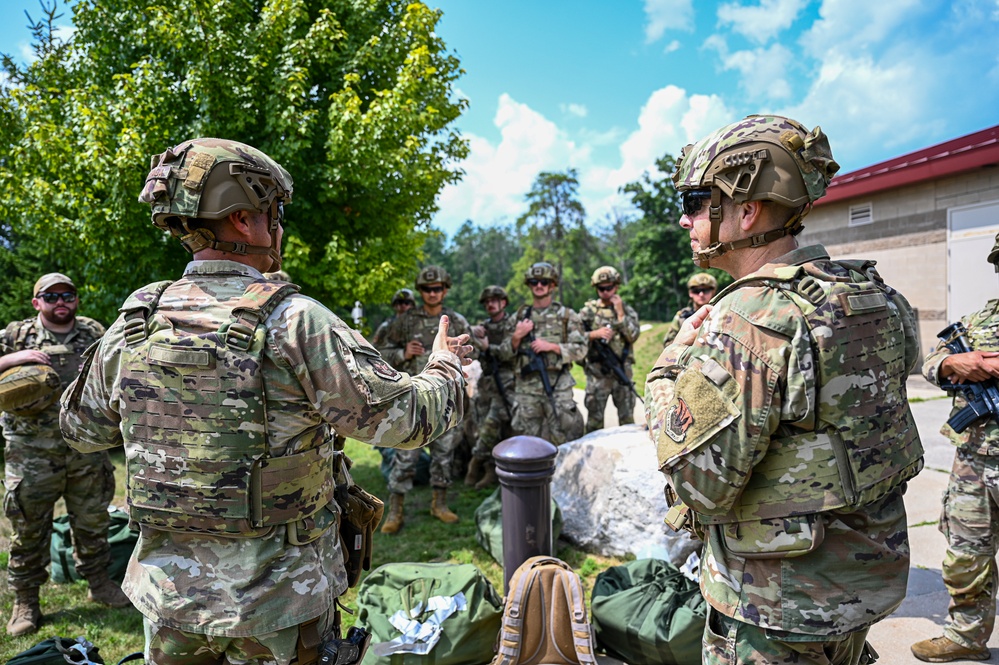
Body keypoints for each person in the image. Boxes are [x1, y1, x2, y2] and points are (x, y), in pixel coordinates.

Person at [59, 138, 472, 665]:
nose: (279, 228)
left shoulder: (133, 324)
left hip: (170, 605)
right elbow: (407, 421)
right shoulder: (295, 322)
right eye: (273, 214)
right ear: (241, 220)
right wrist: (445, 367)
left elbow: (81, 431)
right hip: (279, 607)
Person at [645, 115, 924, 665]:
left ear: (746, 211)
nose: (686, 219)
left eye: (699, 201)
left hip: (774, 608)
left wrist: (667, 368)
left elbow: (701, 485)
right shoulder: (874, 296)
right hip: (861, 587)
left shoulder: (752, 318)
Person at [0, 273, 130, 637]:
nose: (61, 301)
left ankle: (100, 583)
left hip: (85, 447)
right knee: (29, 527)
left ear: (76, 299)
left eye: (68, 295)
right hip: (31, 452)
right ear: (36, 302)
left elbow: (115, 371)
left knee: (93, 522)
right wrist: (15, 359)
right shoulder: (16, 336)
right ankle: (26, 601)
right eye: (51, 296)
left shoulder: (92, 332)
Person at [909, 235, 999, 663]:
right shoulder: (979, 321)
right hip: (975, 462)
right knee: (966, 554)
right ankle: (966, 636)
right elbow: (928, 362)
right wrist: (955, 364)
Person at [377, 265, 475, 533]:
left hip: (447, 401)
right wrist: (402, 353)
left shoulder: (456, 320)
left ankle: (439, 504)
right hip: (414, 401)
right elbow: (378, 351)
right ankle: (395, 510)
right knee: (405, 456)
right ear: (420, 291)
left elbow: (471, 353)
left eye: (438, 288)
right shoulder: (405, 321)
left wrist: (461, 356)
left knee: (443, 456)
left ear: (445, 290)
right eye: (427, 289)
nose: (433, 293)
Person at [500, 262, 586, 445]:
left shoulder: (567, 316)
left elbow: (581, 349)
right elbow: (503, 354)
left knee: (563, 441)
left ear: (553, 285)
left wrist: (553, 347)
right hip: (527, 390)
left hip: (558, 388)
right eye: (534, 281)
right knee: (527, 444)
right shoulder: (519, 317)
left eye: (544, 282)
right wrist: (517, 336)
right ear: (529, 285)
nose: (539, 286)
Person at [578, 266, 640, 433]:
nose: (605, 291)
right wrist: (594, 334)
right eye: (601, 288)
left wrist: (620, 315)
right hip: (598, 374)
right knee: (594, 423)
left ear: (617, 286)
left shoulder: (626, 310)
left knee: (627, 421)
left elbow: (632, 336)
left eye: (609, 287)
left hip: (622, 372)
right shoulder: (588, 312)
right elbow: (573, 338)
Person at [465, 285, 516, 489]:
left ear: (503, 303)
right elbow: (474, 354)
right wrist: (473, 335)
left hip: (508, 383)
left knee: (494, 424)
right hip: (487, 384)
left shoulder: (512, 324)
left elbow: (510, 351)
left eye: (494, 300)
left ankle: (475, 463)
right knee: (480, 425)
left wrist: (488, 347)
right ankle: (490, 470)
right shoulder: (482, 327)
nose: (490, 304)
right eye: (487, 302)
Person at [662, 272, 716, 345]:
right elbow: (668, 343)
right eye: (696, 291)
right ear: (690, 293)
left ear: (713, 292)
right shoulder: (682, 316)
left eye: (705, 290)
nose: (701, 294)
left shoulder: (719, 313)